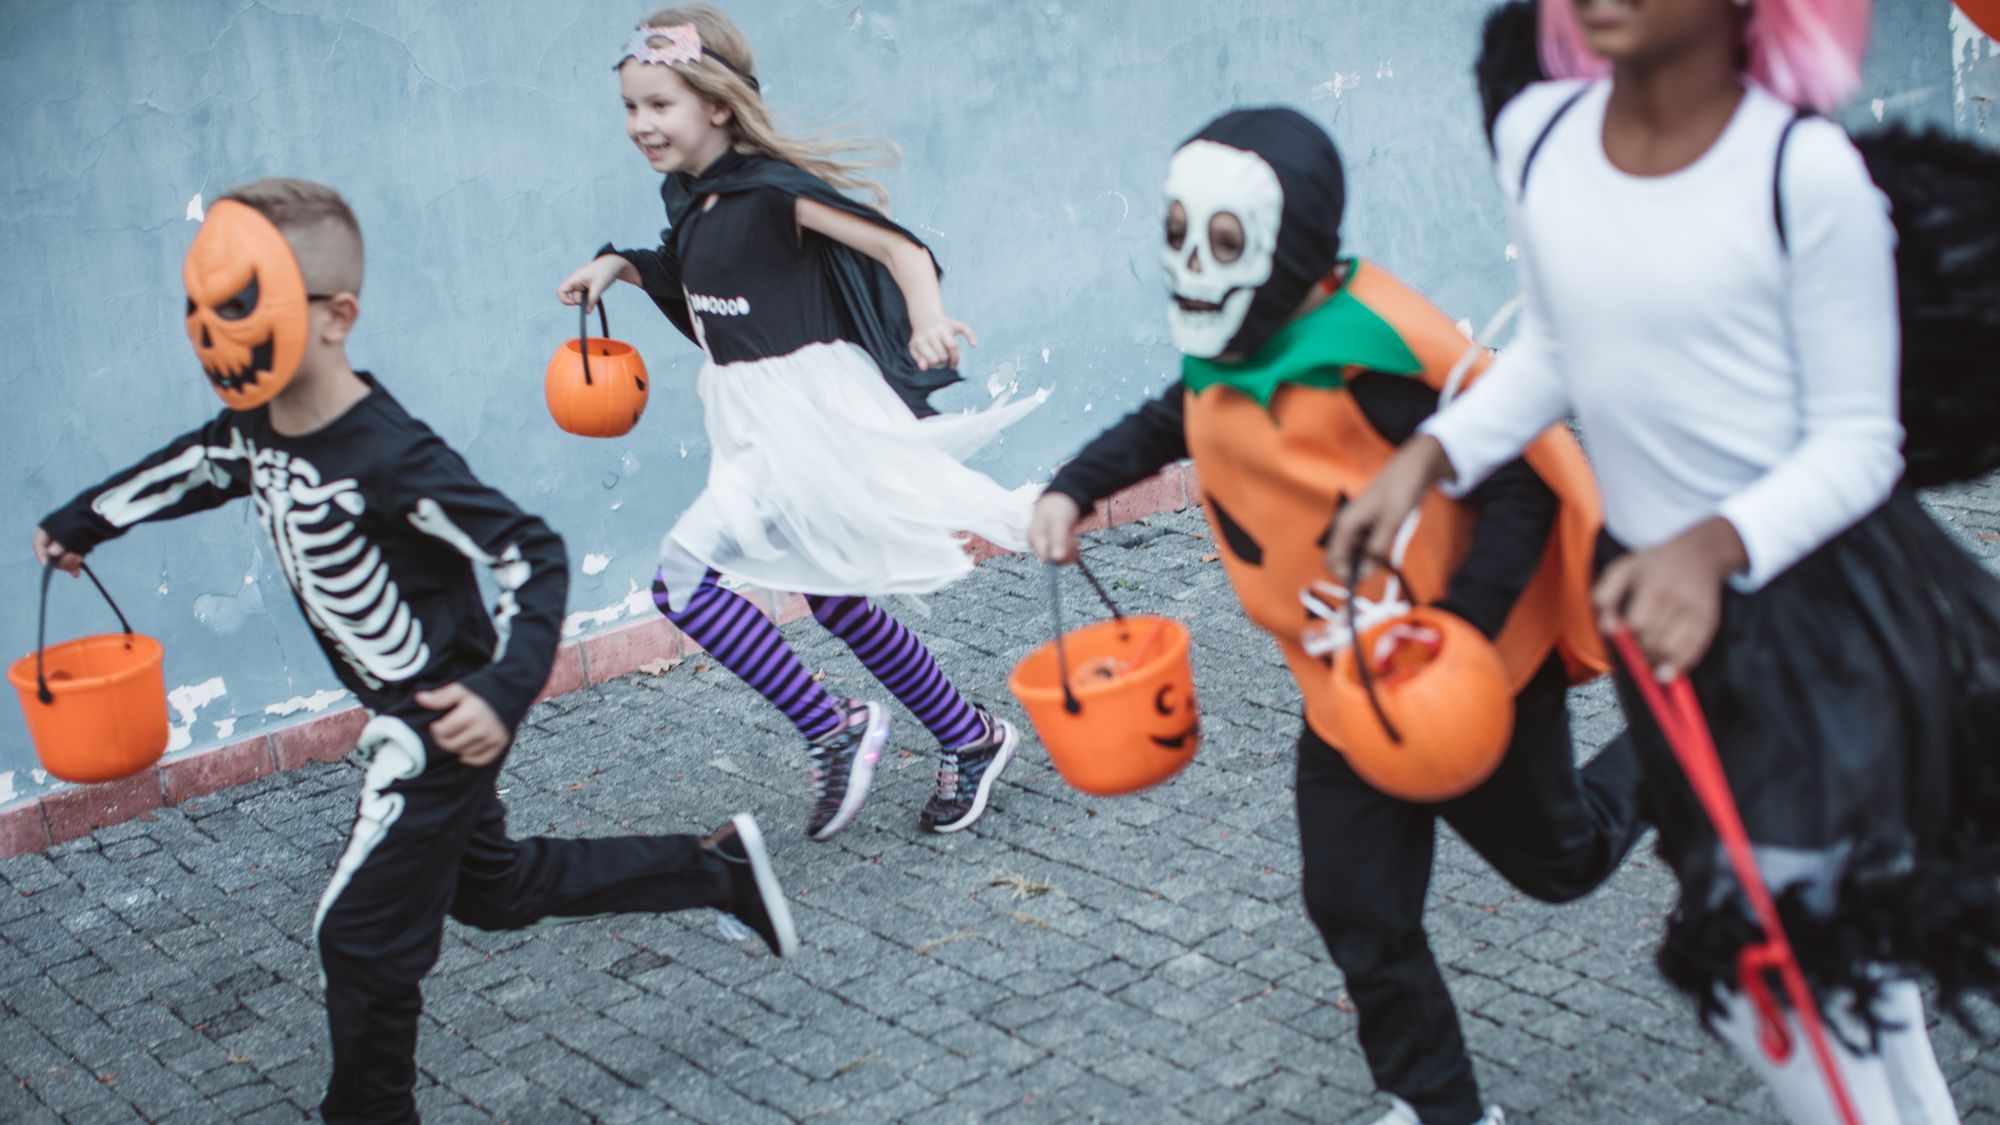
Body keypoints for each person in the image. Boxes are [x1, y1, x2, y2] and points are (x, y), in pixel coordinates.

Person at [1329, 1, 2000, 1119]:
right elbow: (1554, 350)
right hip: (1663, 616)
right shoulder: (1545, 141)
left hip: (1815, 611)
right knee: (1827, 963)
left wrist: (1713, 544)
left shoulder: (1802, 171)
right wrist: (1431, 458)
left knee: (1768, 971)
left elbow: (1857, 443)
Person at [33, 178, 798, 1124]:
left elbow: (533, 552)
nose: (208, 331)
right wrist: (82, 523)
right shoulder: (261, 426)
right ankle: (715, 868)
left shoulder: (388, 454)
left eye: (238, 305)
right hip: (412, 700)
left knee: (357, 934)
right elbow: (199, 464)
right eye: (198, 306)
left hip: (440, 713)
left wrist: (501, 692)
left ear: (334, 315)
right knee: (497, 888)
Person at [1029, 107, 1643, 1125]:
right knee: (1355, 901)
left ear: (1288, 249)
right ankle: (1436, 1102)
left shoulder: (1374, 361)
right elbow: (1172, 417)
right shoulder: (1231, 347)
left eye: (1223, 243)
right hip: (1341, 685)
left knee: (1560, 861)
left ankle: (1673, 745)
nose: (1191, 263)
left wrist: (1461, 638)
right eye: (1177, 233)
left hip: (1465, 673)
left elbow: (1523, 484)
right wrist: (1071, 487)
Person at [559, 6, 1040, 840]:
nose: (640, 124)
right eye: (631, 107)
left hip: (808, 421)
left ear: (715, 103)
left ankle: (835, 724)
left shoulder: (776, 194)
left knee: (683, 584)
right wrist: (622, 267)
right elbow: (687, 268)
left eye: (658, 105)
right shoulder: (692, 196)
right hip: (752, 421)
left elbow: (901, 250)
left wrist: (927, 318)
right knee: (837, 599)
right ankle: (972, 736)